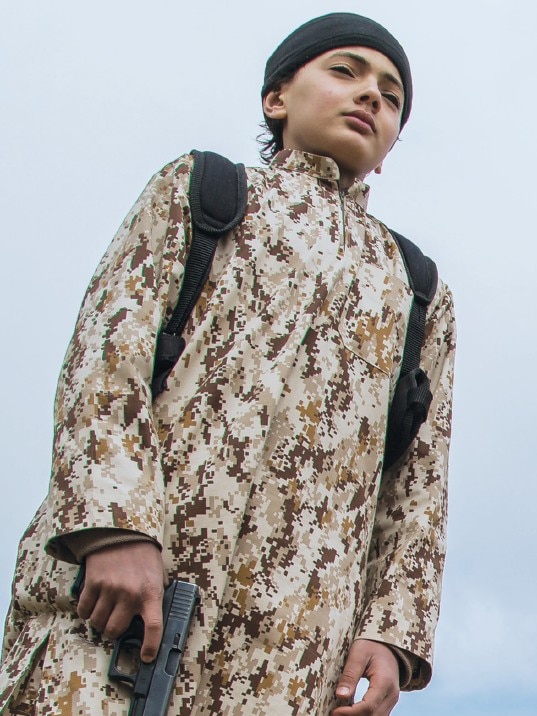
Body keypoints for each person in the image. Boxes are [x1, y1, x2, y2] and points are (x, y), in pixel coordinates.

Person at [0, 12, 456, 716]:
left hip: (292, 654)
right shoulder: (202, 193)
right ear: (277, 98)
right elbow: (104, 359)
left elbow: (418, 481)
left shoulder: (416, 285)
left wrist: (391, 633)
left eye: (391, 95)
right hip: (122, 611)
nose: (370, 95)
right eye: (345, 71)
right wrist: (114, 526)